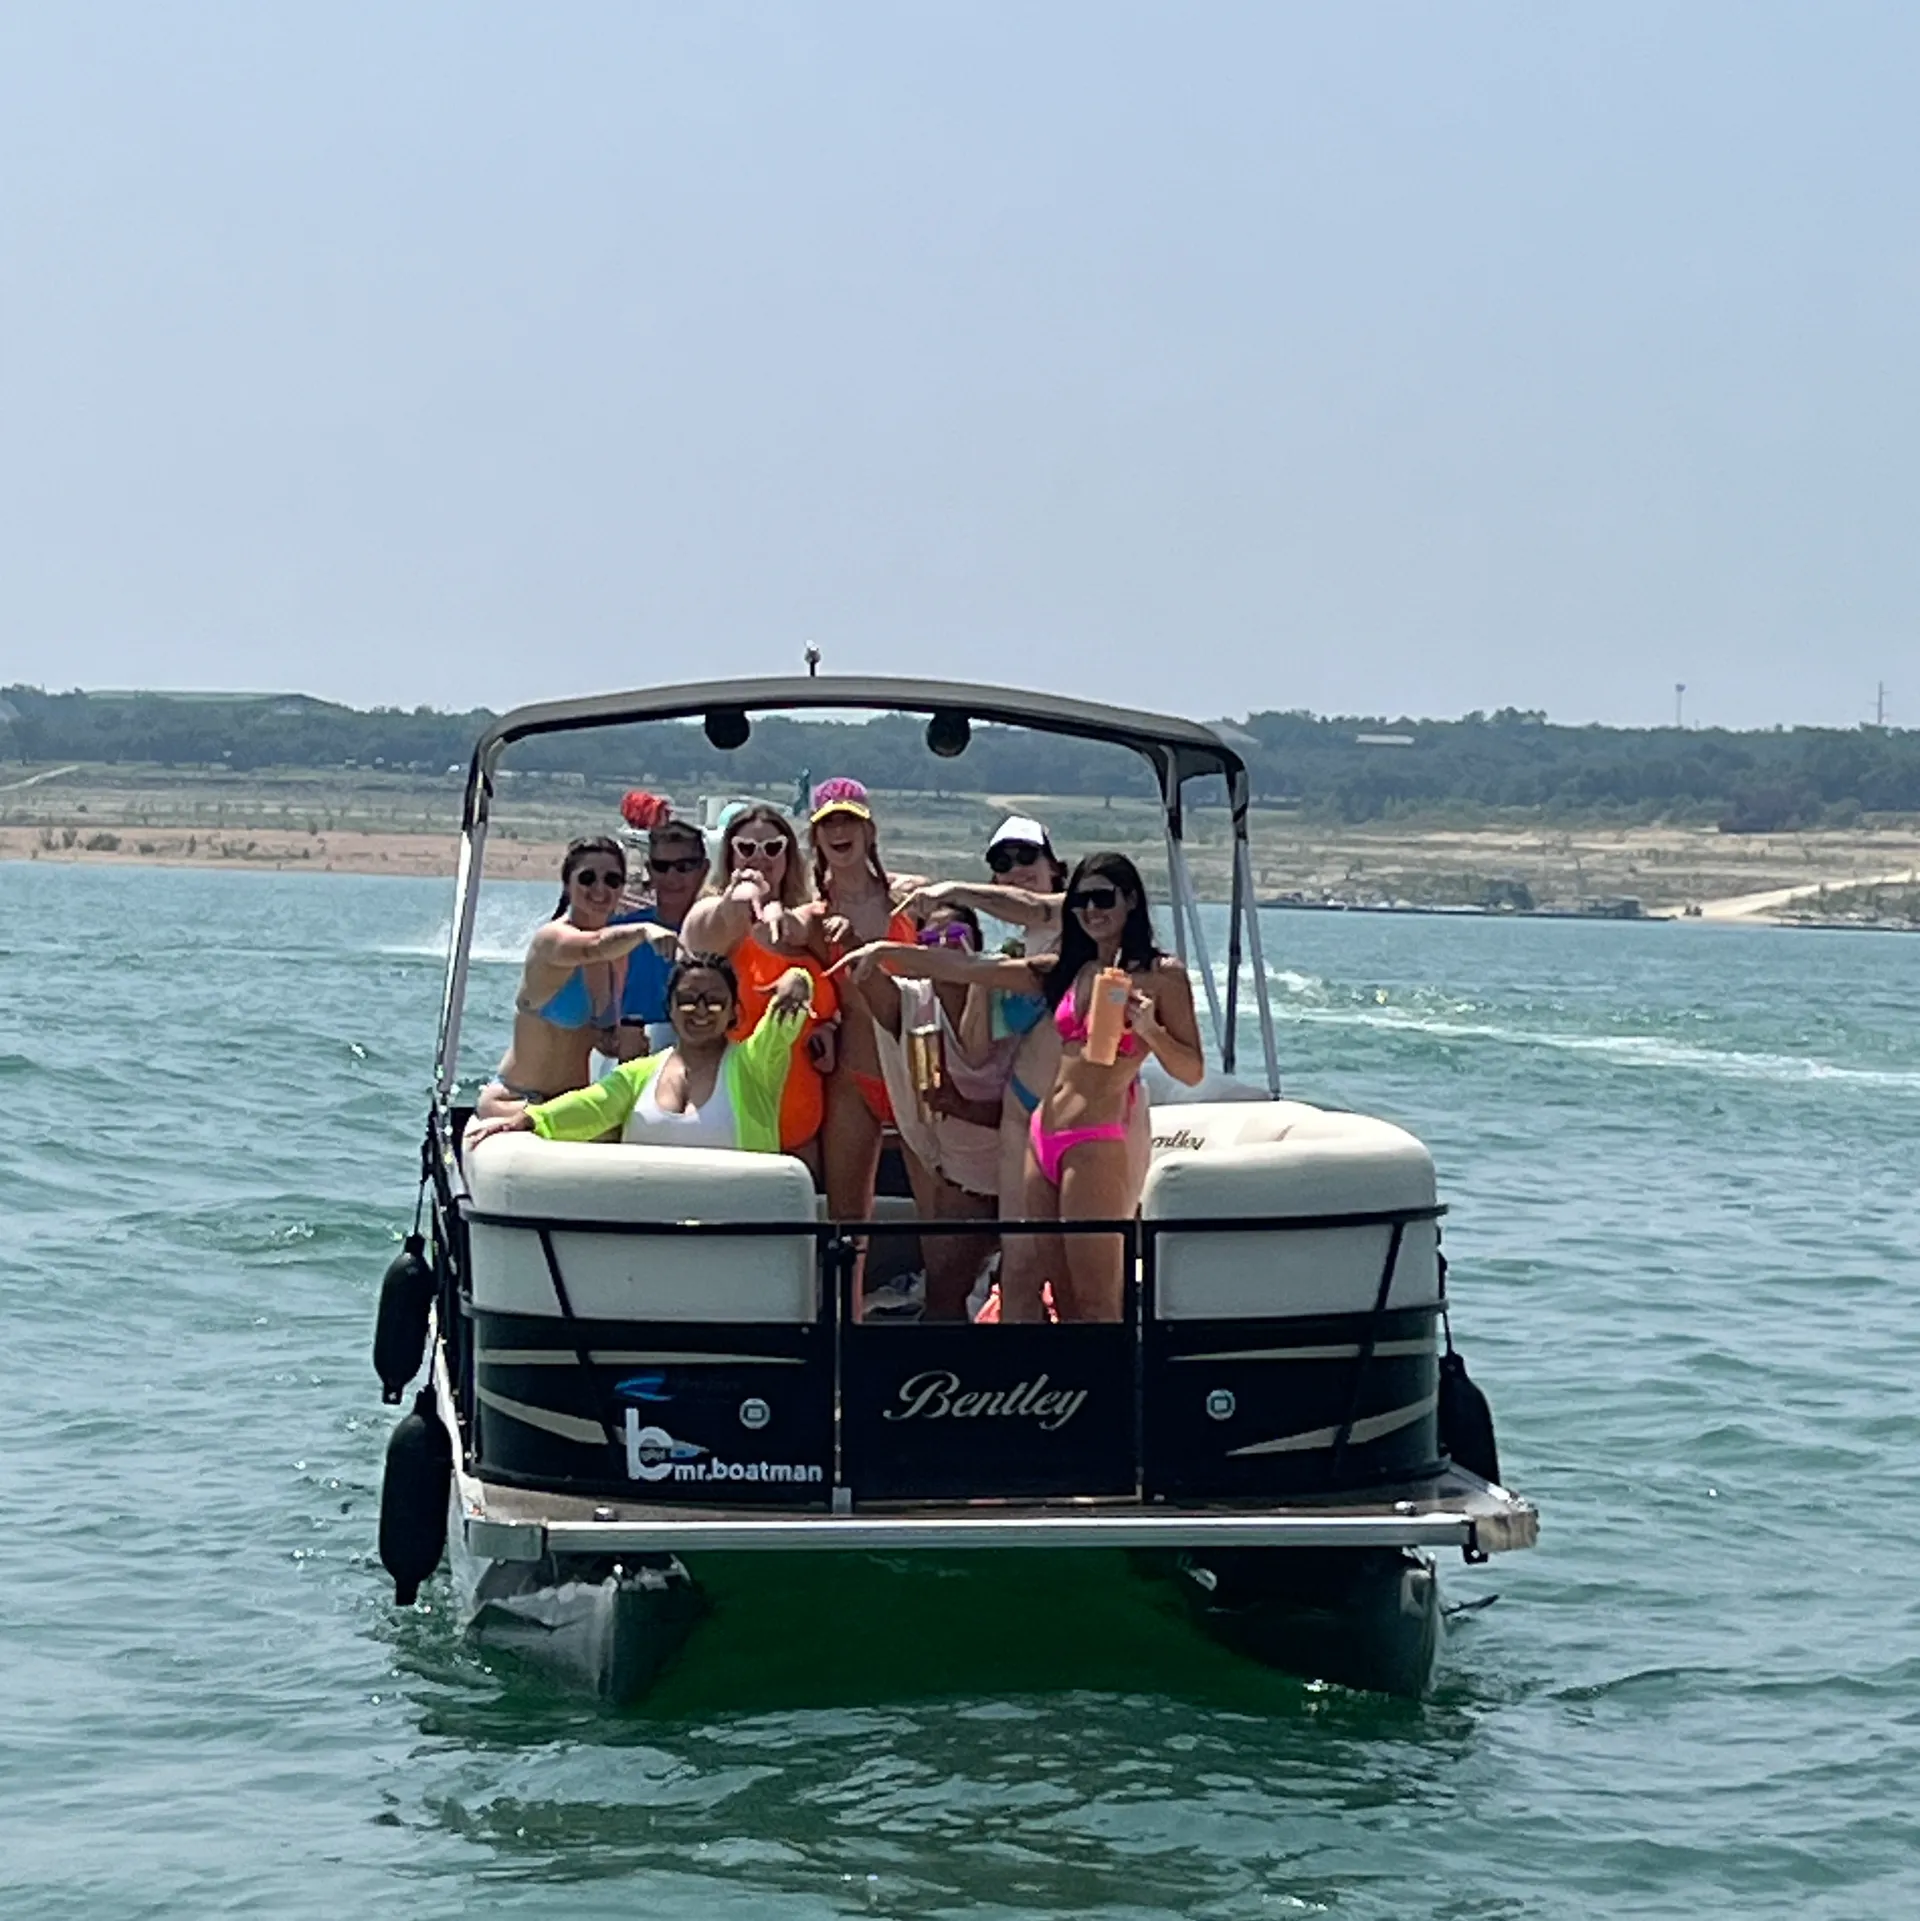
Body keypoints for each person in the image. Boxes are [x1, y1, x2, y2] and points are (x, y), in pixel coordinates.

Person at [832, 852, 1205, 1322]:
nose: (1091, 910)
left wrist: (1149, 1030)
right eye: (1082, 901)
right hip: (1039, 1137)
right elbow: (971, 971)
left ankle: (1108, 1391)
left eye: (1103, 898)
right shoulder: (1074, 969)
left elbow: (1191, 1070)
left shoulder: (1162, 975)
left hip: (1093, 1142)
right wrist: (882, 954)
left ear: (1131, 901)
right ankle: (1066, 1391)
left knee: (1097, 1299)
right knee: (1057, 1291)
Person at [465, 953, 814, 1152]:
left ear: (734, 1012)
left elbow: (784, 1023)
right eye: (689, 1000)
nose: (701, 1010)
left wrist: (798, 980)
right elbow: (592, 1105)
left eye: (715, 1001)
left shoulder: (755, 1064)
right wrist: (528, 1119)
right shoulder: (639, 1074)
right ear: (670, 1009)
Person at [795, 778, 927, 1255]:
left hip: (915, 1070)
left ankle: (945, 1319)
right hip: (854, 1075)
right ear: (815, 838)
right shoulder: (813, 915)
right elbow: (772, 940)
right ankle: (846, 1323)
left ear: (870, 832)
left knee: (939, 1215)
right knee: (847, 1223)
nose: (839, 830)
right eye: (828, 822)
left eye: (850, 819)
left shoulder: (910, 899)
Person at [474, 836, 680, 1121]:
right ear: (567, 884)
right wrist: (644, 930)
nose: (600, 889)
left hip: (572, 1102)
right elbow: (593, 945)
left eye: (612, 880)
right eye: (587, 878)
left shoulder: (617, 955)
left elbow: (593, 1036)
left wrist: (618, 1041)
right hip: (518, 1100)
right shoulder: (551, 940)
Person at [680, 802, 839, 1167]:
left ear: (788, 855)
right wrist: (744, 895)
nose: (759, 857)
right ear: (730, 854)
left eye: (772, 848)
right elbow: (712, 935)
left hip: (804, 1116)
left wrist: (830, 1027)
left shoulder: (808, 922)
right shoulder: (710, 915)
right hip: (730, 1115)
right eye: (746, 849)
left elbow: (837, 995)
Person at [867, 904, 1004, 1320]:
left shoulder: (1013, 1002)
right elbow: (868, 983)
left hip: (1025, 1171)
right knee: (946, 1292)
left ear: (977, 943)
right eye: (929, 940)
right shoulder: (914, 1004)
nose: (943, 946)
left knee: (1026, 1287)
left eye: (955, 934)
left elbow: (1037, 1104)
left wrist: (961, 1106)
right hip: (963, 1178)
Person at [609, 812, 710, 1057]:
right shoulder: (619, 932)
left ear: (703, 869)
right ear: (650, 871)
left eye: (684, 867)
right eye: (662, 867)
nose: (672, 877)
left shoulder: (718, 932)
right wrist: (606, 1037)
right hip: (630, 1066)